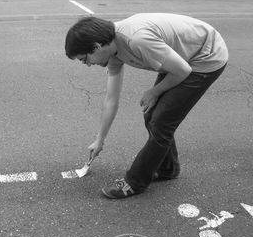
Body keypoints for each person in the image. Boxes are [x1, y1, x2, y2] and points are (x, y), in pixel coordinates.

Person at [65, 13, 228, 199]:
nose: (86, 65)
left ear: (96, 46)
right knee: (152, 114)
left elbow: (183, 70)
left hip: (205, 57)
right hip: (181, 58)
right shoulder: (112, 51)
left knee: (161, 122)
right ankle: (168, 169)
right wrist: (99, 140)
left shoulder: (137, 40)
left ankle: (134, 182)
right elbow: (111, 99)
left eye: (84, 59)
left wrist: (155, 91)